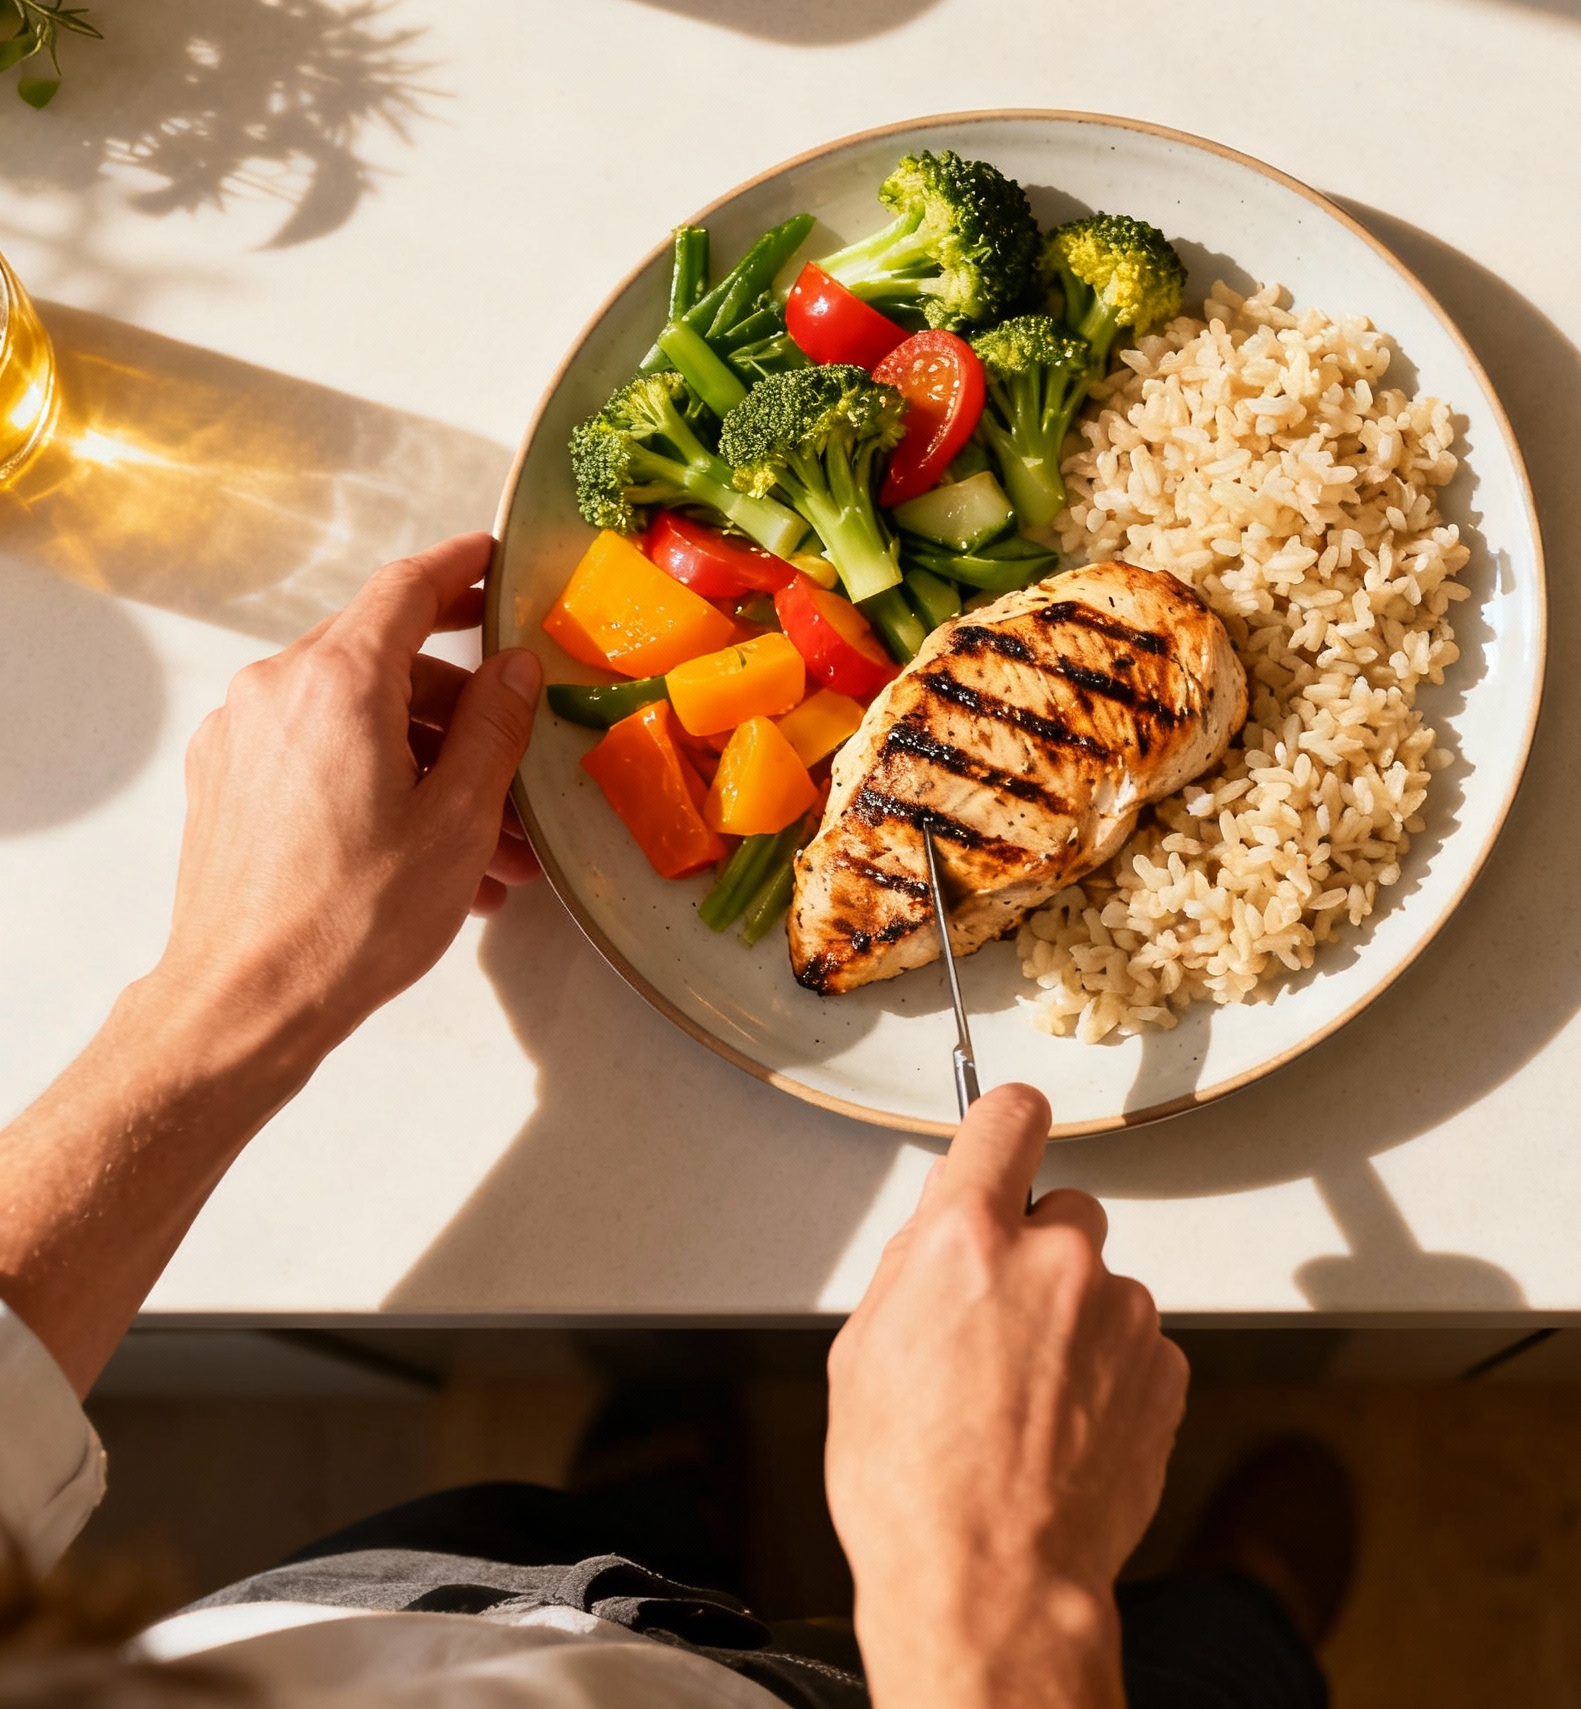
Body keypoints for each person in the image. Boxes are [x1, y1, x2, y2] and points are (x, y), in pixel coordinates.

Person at [0, 537, 1348, 1709]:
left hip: (392, 1611)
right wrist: (992, 1587)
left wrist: (236, 987)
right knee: (1214, 1665)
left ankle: (660, 1500)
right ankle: (1248, 1601)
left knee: (541, 1525)